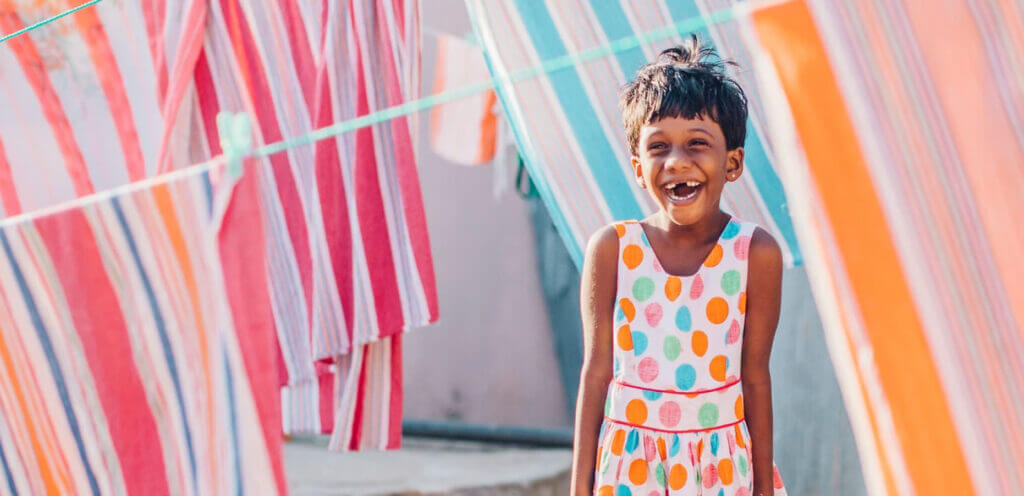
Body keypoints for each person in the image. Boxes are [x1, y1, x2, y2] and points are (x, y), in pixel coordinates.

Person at [570, 35, 788, 496]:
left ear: (732, 163)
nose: (676, 161)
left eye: (696, 143)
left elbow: (755, 377)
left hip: (721, 469)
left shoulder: (756, 254)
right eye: (658, 147)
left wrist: (764, 487)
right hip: (630, 469)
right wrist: (578, 488)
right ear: (636, 166)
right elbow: (596, 374)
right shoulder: (612, 249)